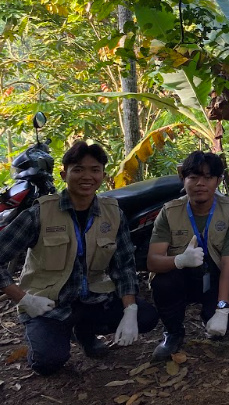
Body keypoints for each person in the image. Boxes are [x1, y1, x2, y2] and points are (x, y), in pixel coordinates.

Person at [0, 141, 158, 375]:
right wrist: (24, 299)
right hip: (47, 303)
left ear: (103, 175)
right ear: (64, 174)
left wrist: (130, 310)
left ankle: (83, 332)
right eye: (78, 169)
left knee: (146, 316)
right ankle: (53, 333)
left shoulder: (113, 214)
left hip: (92, 298)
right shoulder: (40, 213)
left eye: (94, 170)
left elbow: (123, 266)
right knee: (48, 363)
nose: (87, 176)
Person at [147, 151, 229, 360]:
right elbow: (153, 261)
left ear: (218, 180)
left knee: (225, 323)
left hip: (217, 276)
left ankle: (213, 313)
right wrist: (179, 260)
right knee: (162, 283)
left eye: (208, 177)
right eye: (193, 177)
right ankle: (173, 333)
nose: (200, 183)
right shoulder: (169, 211)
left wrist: (222, 310)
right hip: (182, 276)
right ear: (183, 180)